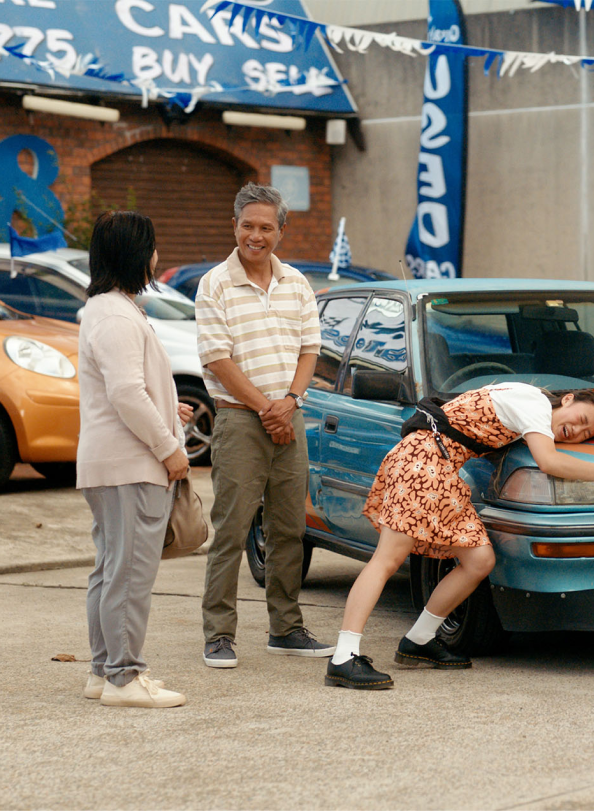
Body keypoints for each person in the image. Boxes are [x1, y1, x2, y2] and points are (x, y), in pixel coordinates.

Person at [325, 383, 594, 690]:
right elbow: (549, 461)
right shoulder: (535, 405)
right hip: (425, 461)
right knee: (387, 560)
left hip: (439, 466)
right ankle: (344, 656)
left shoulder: (527, 404)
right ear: (568, 400)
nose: (576, 431)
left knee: (479, 559)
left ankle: (419, 640)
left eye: (585, 434)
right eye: (581, 420)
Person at [195, 182, 335, 668]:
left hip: (289, 417)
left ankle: (287, 628)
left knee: (288, 529)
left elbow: (310, 349)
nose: (256, 235)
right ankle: (218, 634)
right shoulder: (214, 284)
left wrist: (290, 401)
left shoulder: (297, 282)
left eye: (266, 227)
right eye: (248, 226)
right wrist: (266, 409)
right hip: (240, 421)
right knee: (231, 529)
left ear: (280, 230)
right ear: (234, 226)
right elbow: (217, 359)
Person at [77, 210, 192, 708]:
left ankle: (105, 673)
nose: (156, 255)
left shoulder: (107, 309)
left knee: (111, 570)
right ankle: (124, 677)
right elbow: (126, 393)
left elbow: (126, 388)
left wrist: (172, 409)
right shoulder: (119, 315)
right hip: (131, 464)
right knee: (128, 574)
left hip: (112, 463)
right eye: (151, 246)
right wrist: (170, 450)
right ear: (135, 255)